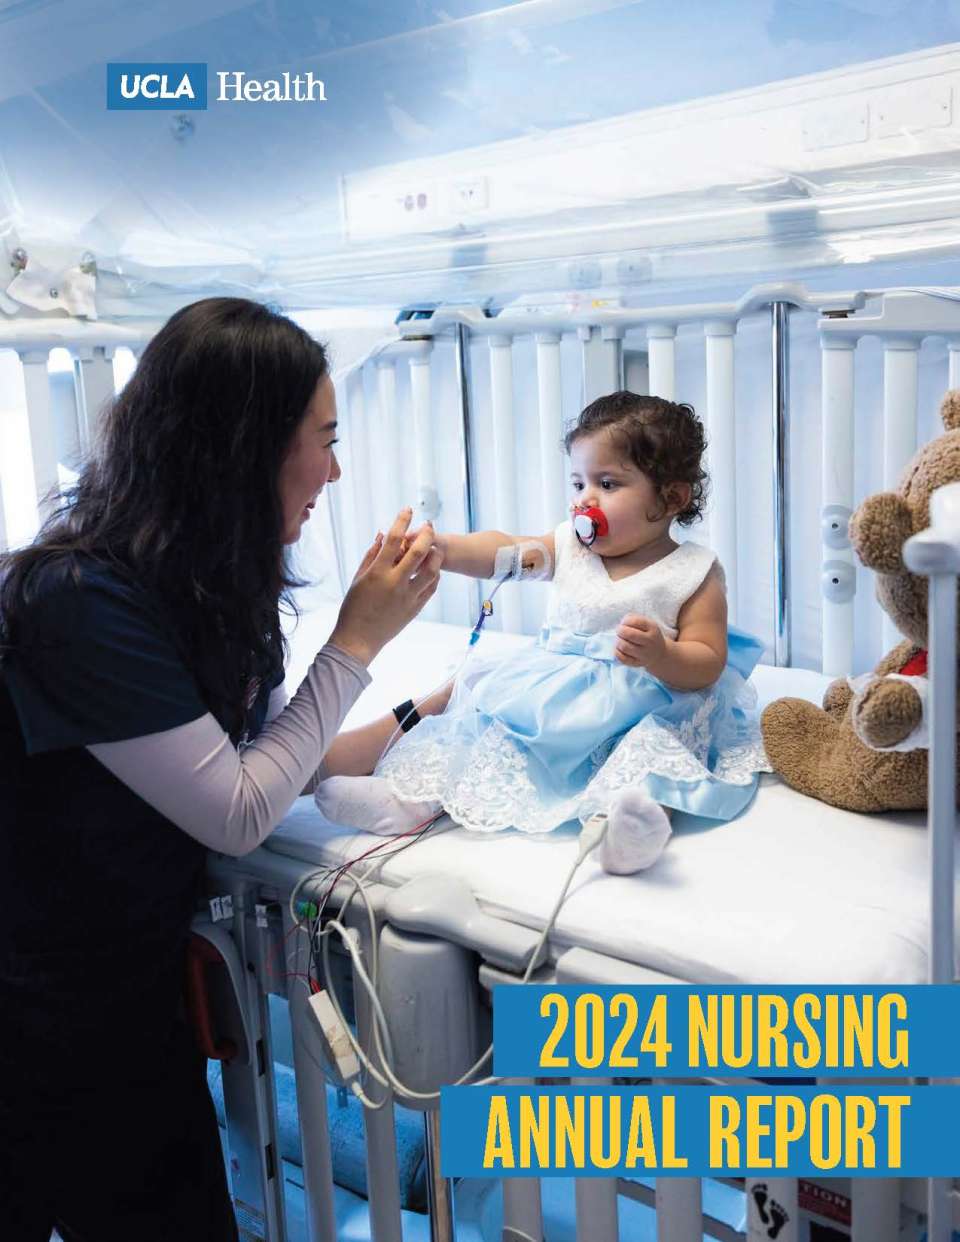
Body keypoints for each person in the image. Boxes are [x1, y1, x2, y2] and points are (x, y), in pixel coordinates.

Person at [0, 297, 446, 1241]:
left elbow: (268, 762)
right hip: (41, 1014)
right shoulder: (74, 599)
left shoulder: (208, 587)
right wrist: (356, 642)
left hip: (123, 993)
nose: (336, 468)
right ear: (244, 447)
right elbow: (240, 810)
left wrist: (422, 717)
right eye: (323, 439)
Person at [316, 392, 767, 874]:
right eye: (578, 482)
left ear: (672, 497)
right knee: (486, 727)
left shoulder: (692, 571)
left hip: (641, 700)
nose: (584, 500)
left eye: (607, 483)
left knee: (649, 753)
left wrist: (661, 654)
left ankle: (627, 828)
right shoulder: (571, 546)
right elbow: (505, 550)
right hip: (551, 695)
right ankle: (410, 798)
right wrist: (446, 548)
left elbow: (707, 659)